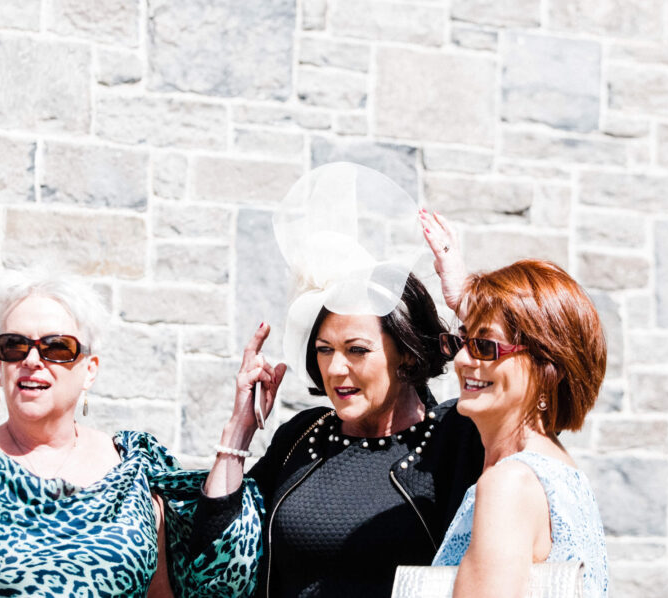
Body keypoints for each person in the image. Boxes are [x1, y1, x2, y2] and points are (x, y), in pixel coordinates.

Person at [194, 163, 484, 598]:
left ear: (406, 354)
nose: (335, 369)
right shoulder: (302, 434)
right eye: (325, 349)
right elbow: (214, 562)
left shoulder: (455, 436)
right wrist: (238, 433)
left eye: (357, 350)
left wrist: (465, 302)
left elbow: (539, 379)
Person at [0, 273, 266, 598]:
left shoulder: (132, 471)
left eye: (57, 348)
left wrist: (238, 430)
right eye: (14, 346)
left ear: (90, 370)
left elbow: (176, 586)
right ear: (1, 366)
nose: (31, 360)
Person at [420, 210, 609, 597]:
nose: (462, 360)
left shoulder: (509, 486)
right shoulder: (561, 476)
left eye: (485, 347)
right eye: (462, 341)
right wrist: (464, 300)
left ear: (547, 369)